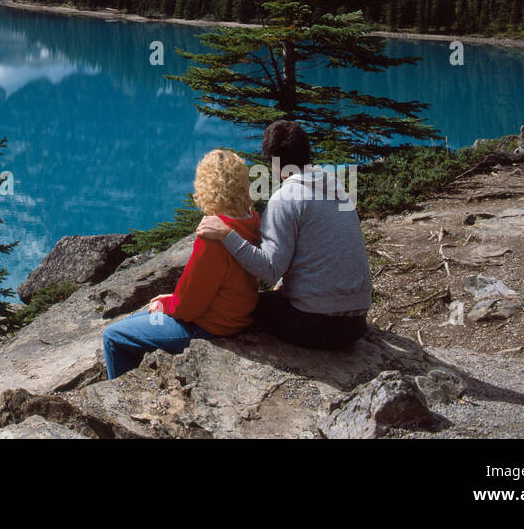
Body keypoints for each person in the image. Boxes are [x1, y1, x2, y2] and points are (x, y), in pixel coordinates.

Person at [196, 120, 371, 350]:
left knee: (240, 308)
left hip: (316, 324)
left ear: (272, 162)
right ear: (307, 154)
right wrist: (283, 282)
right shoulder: (337, 188)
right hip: (356, 324)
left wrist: (227, 234)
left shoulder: (285, 198)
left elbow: (269, 270)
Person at [102, 149, 261, 379]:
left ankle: (118, 399)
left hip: (210, 326)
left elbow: (187, 307)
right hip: (235, 313)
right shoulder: (250, 218)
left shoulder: (213, 237)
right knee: (135, 320)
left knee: (113, 336)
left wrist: (167, 306)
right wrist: (169, 299)